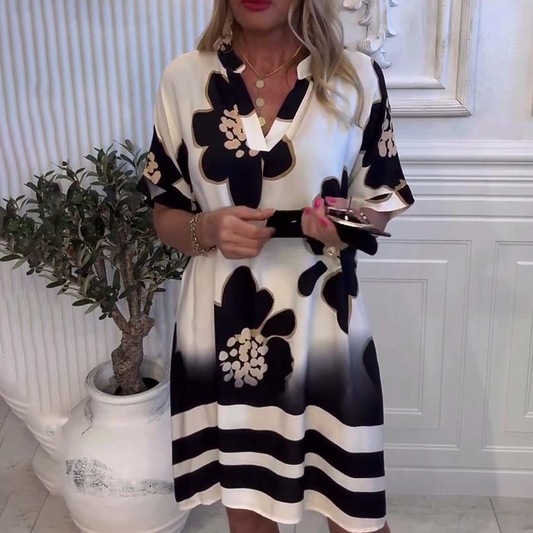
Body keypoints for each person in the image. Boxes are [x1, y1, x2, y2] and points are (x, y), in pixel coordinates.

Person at [138, 0, 415, 532]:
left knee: (355, 510)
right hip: (223, 331)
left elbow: (378, 206)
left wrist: (342, 222)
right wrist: (207, 229)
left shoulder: (355, 77)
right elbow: (165, 212)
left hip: (325, 325)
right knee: (248, 508)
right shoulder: (184, 78)